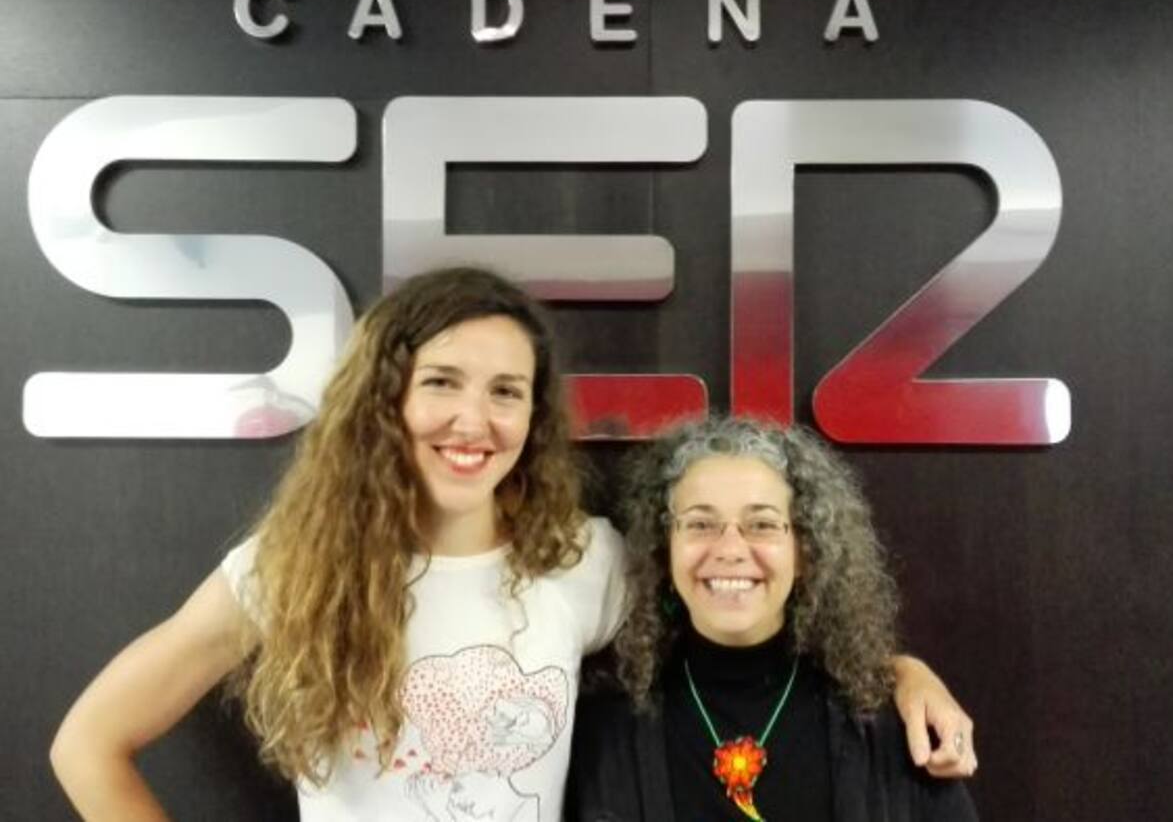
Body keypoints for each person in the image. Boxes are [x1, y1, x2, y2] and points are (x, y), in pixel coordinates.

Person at [50, 267, 973, 821]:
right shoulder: (290, 569)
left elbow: (742, 610)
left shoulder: (584, 560)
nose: (473, 420)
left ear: (534, 415)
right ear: (385, 400)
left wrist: (900, 671)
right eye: (442, 382)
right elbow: (88, 744)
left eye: (506, 392)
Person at [567, 416, 978, 822]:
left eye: (761, 524)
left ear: (804, 552)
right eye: (700, 524)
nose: (730, 549)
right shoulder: (602, 732)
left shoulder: (894, 727)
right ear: (664, 548)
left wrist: (904, 672)